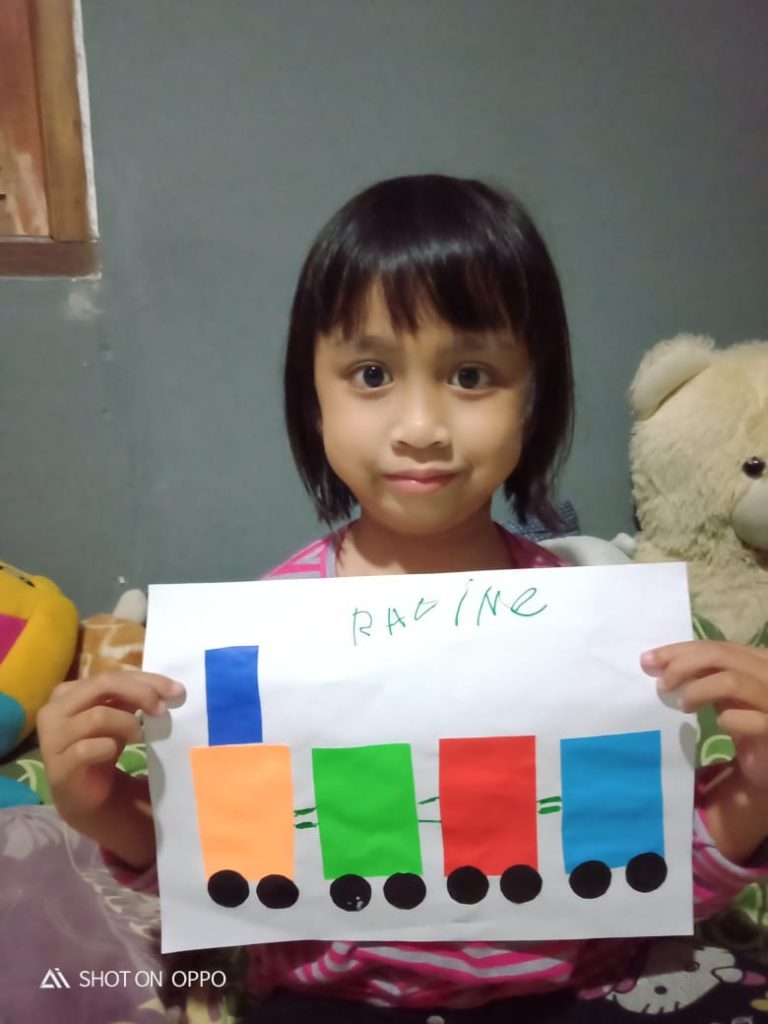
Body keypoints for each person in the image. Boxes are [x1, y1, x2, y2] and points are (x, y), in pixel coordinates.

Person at [38, 175, 768, 1022]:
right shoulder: (263, 642)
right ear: (313, 396)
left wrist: (754, 789)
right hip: (333, 1000)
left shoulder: (592, 628)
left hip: (580, 990)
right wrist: (106, 809)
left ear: (534, 396)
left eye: (471, 374)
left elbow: (657, 873)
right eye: (372, 373)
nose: (420, 426)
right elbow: (234, 876)